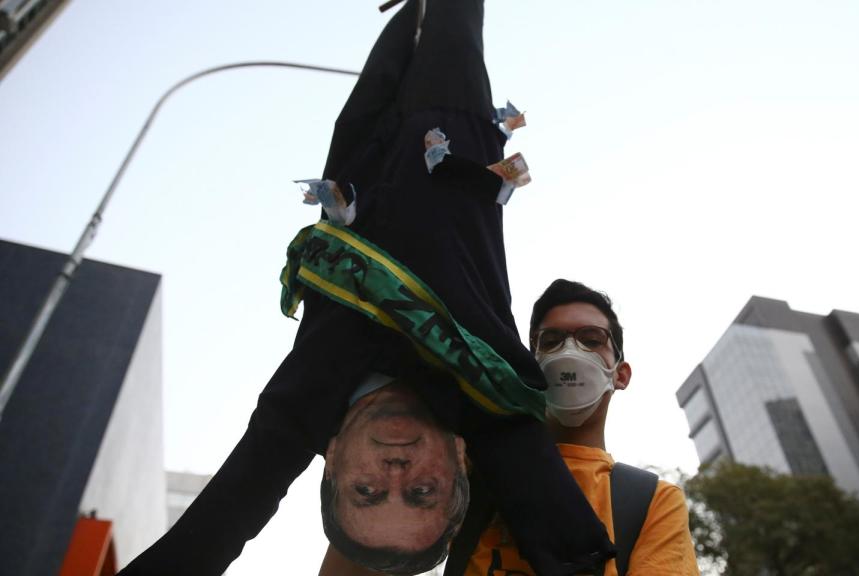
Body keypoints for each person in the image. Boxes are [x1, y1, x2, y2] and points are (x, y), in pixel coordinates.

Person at [118, 2, 614, 575]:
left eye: (367, 492)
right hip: (448, 146)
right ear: (459, 460)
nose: (395, 474)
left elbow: (216, 526)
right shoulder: (489, 412)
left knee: (384, 64)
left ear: (331, 463)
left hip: (354, 175)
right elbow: (568, 545)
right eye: (422, 493)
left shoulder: (307, 406)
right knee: (455, 28)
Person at [319, 279, 702, 575]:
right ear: (530, 369)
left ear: (620, 374)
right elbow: (367, 556)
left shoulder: (650, 502)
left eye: (591, 340)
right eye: (551, 341)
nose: (570, 352)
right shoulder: (467, 471)